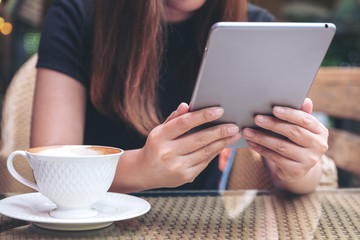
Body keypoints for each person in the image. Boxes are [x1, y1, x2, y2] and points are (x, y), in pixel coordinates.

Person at [31, 0, 329, 194]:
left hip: (203, 225)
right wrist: (141, 169)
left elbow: (297, 180)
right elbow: (49, 170)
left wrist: (300, 166)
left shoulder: (256, 27)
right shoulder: (76, 15)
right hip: (97, 220)